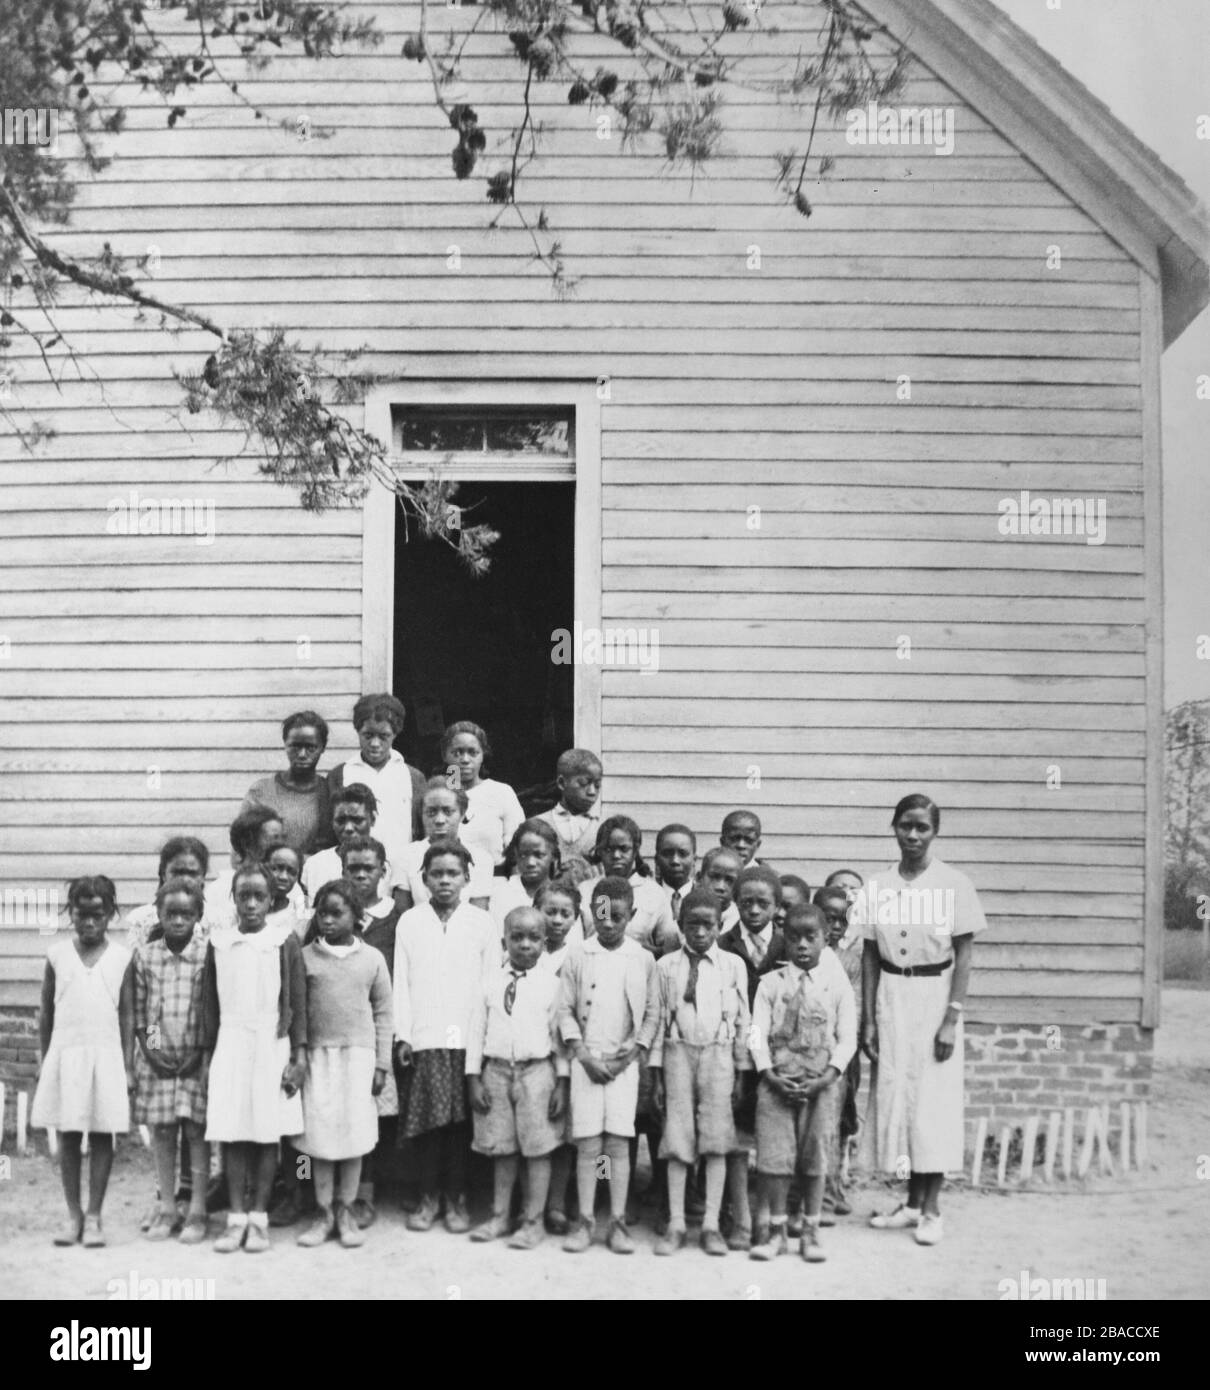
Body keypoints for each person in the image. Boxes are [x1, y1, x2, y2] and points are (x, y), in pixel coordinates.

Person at [859, 794, 985, 1247]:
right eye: (905, 826)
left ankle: (932, 1209)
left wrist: (952, 1017)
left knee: (932, 1103)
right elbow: (872, 951)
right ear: (893, 827)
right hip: (893, 996)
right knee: (901, 1098)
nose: (913, 836)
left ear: (935, 832)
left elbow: (966, 953)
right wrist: (869, 1019)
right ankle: (911, 1204)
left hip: (935, 997)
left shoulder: (953, 884)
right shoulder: (878, 885)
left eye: (922, 828)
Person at [202, 863, 307, 1254]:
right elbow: (209, 1006)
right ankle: (235, 1216)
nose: (251, 904)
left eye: (258, 896)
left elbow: (297, 1004)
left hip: (271, 1044)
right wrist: (208, 1055)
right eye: (243, 895)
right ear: (233, 899)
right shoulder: (220, 943)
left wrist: (298, 1056)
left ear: (270, 899)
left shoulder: (284, 942)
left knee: (266, 1134)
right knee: (232, 1133)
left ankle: (260, 1217)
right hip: (230, 1042)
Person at [393, 842, 497, 1233]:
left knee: (459, 1127)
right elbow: (401, 981)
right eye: (437, 873)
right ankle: (427, 1197)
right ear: (424, 879)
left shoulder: (481, 923)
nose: (445, 880)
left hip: (466, 1040)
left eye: (453, 873)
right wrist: (404, 1035)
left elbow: (489, 985)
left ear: (467, 879)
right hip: (425, 1036)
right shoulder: (411, 922)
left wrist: (484, 1043)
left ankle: (457, 1198)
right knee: (427, 1126)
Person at [557, 877, 659, 1255]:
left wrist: (630, 1057)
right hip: (588, 1063)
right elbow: (564, 1010)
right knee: (589, 1143)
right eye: (601, 914)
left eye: (617, 915)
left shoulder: (642, 958)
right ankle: (586, 1218)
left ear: (631, 915)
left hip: (623, 1065)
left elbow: (651, 1014)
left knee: (615, 1143)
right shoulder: (578, 955)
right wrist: (582, 1055)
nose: (609, 922)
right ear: (591, 912)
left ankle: (615, 1218)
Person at [750, 904, 856, 1265]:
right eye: (793, 937)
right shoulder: (770, 985)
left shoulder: (835, 983)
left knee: (814, 1159)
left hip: (820, 1085)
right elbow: (755, 1035)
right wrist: (768, 1073)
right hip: (777, 1084)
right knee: (775, 1160)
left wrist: (829, 1076)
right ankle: (777, 1230)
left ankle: (810, 1231)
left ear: (826, 939)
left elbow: (847, 1037)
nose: (802, 946)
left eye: (811, 937)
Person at [649, 888, 751, 1257]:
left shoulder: (732, 966)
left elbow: (744, 1021)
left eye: (708, 925)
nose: (700, 933)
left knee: (716, 1141)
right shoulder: (665, 967)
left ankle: (710, 1224)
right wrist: (657, 1073)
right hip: (677, 1055)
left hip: (719, 1057)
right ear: (679, 925)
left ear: (720, 925)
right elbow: (657, 1021)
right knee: (677, 1141)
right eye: (692, 924)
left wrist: (742, 1068)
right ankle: (676, 1222)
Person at [32, 876, 133, 1248]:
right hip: (67, 1054)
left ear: (111, 915)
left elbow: (129, 1016)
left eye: (98, 914)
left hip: (106, 1056)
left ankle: (95, 1216)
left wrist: (128, 1064)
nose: (90, 922)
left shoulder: (123, 957)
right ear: (70, 913)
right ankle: (73, 1214)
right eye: (82, 914)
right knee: (69, 1135)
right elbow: (45, 1013)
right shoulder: (56, 955)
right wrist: (46, 1059)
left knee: (104, 1133)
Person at [296, 880, 393, 1249]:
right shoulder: (305, 958)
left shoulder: (372, 960)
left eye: (337, 913)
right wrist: (299, 1057)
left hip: (358, 1059)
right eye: (322, 913)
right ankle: (321, 1211)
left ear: (357, 917)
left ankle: (347, 1209)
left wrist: (381, 1064)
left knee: (354, 1138)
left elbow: (384, 1012)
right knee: (316, 1139)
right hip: (318, 1059)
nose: (328, 921)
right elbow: (296, 1013)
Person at [466, 906, 570, 1249]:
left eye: (534, 938)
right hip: (495, 1070)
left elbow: (560, 1040)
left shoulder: (553, 986)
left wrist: (562, 1083)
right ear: (504, 941)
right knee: (503, 1148)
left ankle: (534, 1219)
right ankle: (500, 1215)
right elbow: (475, 1032)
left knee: (538, 1149)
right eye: (517, 937)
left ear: (545, 942)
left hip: (537, 1073)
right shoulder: (488, 982)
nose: (525, 944)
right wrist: (473, 1078)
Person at [133, 878, 211, 1245]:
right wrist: (154, 1051)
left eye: (186, 913)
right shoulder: (146, 956)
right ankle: (167, 1206)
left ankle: (197, 1208)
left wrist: (198, 1051)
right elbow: (142, 1009)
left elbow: (212, 1007)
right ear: (159, 915)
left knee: (196, 1131)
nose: (178, 921)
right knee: (163, 1131)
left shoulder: (208, 952)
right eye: (171, 913)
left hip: (197, 1056)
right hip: (160, 1061)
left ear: (198, 915)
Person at [717, 862, 786, 1250]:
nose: (754, 911)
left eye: (763, 903)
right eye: (747, 903)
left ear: (777, 906)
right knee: (738, 1133)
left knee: (773, 1136)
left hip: (777, 1054)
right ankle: (740, 1214)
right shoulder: (724, 945)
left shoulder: (788, 945)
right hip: (737, 1055)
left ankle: (766, 1215)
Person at [533, 878, 582, 1232]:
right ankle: (534, 1200)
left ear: (577, 918)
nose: (557, 920)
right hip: (534, 1056)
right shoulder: (520, 952)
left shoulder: (579, 957)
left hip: (573, 1058)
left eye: (566, 914)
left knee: (577, 1137)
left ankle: (569, 1199)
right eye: (550, 911)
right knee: (539, 1131)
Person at [816, 882, 862, 1219]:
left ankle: (830, 1192)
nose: (833, 927)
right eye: (827, 919)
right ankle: (807, 1193)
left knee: (833, 1124)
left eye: (840, 921)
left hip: (837, 1054)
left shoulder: (848, 961)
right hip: (806, 1052)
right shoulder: (800, 951)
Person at [328, 692, 426, 843]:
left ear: (395, 733)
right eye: (368, 735)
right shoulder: (341, 774)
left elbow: (422, 828)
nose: (375, 744)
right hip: (355, 862)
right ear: (358, 731)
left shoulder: (412, 776)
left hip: (401, 862)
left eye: (383, 736)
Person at [241, 710, 334, 856]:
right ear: (285, 744)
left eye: (310, 747)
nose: (302, 754)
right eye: (295, 746)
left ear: (322, 747)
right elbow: (243, 842)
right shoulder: (261, 791)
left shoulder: (329, 791)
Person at [302, 784, 407, 911]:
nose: (348, 828)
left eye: (357, 820)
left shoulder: (391, 864)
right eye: (341, 821)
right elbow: (305, 914)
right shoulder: (315, 864)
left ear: (372, 819)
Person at [394, 777, 493, 911]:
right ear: (421, 814)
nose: (440, 820)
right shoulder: (406, 856)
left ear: (462, 813)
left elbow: (479, 916)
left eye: (448, 812)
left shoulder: (481, 859)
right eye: (431, 812)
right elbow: (402, 913)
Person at [585, 815, 676, 954]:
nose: (616, 855)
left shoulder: (654, 893)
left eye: (623, 849)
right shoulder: (585, 890)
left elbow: (667, 947)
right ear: (600, 851)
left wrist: (636, 950)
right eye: (609, 849)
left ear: (635, 850)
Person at [442, 721, 525, 869]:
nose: (465, 760)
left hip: (494, 881)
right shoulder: (438, 796)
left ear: (483, 755)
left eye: (473, 752)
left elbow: (518, 849)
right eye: (457, 753)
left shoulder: (501, 793)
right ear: (445, 756)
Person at [123, 837, 222, 950]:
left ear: (203, 877)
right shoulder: (141, 920)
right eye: (177, 872)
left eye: (192, 874)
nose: (184, 880)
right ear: (164, 875)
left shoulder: (218, 921)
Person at [211, 807, 302, 927]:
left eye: (282, 838)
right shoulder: (219, 890)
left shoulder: (292, 888)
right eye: (274, 838)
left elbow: (302, 927)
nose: (281, 846)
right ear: (247, 844)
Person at [489, 819, 578, 940]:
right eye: (523, 855)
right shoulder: (499, 896)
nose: (530, 863)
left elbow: (573, 941)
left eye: (539, 855)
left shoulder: (565, 898)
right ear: (516, 854)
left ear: (553, 856)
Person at [536, 748, 603, 863]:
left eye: (597, 785)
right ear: (561, 783)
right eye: (584, 783)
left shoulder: (603, 828)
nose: (592, 792)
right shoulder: (537, 826)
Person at [653, 823, 697, 930]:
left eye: (682, 854)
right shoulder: (647, 895)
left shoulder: (706, 898)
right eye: (667, 854)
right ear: (656, 860)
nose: (675, 861)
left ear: (694, 860)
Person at [696, 846, 742, 933]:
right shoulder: (687, 914)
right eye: (714, 877)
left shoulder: (741, 923)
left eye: (729, 880)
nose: (720, 887)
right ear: (699, 878)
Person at [266, 844, 308, 938]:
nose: (284, 877)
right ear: (265, 867)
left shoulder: (301, 905)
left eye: (292, 872)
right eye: (277, 868)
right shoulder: (251, 901)